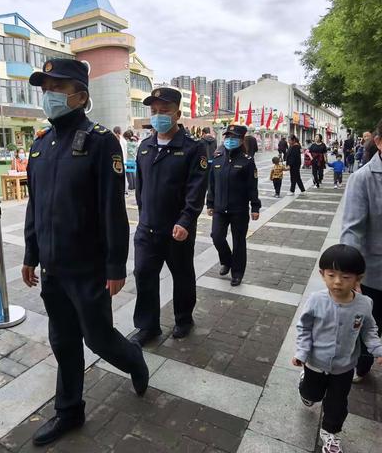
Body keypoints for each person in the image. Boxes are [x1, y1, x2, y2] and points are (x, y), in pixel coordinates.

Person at [22, 59, 148, 446]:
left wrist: (115, 265)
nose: (49, 95)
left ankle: (133, 360)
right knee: (62, 340)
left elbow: (112, 209)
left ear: (80, 95)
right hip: (52, 267)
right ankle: (69, 411)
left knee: (98, 337)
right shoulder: (41, 145)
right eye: (45, 88)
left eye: (57, 87)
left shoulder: (99, 141)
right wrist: (30, 254)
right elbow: (35, 205)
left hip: (88, 266)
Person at [131, 87, 208, 346]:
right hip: (147, 229)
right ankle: (148, 326)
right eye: (154, 111)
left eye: (164, 111)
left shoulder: (192, 148)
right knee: (143, 274)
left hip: (177, 230)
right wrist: (143, 219)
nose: (158, 116)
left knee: (182, 275)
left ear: (178, 113)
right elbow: (140, 189)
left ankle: (183, 318)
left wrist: (186, 220)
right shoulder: (144, 147)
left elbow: (196, 190)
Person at [293, 244, 382, 453]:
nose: (337, 282)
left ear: (358, 279)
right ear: (322, 274)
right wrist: (302, 353)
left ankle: (331, 432)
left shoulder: (364, 304)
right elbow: (304, 327)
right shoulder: (316, 300)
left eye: (346, 277)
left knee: (337, 403)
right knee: (312, 395)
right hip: (315, 363)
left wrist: (377, 349)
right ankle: (305, 384)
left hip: (344, 367)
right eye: (331, 275)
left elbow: (369, 329)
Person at [340, 121, 382, 383]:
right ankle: (363, 364)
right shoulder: (364, 178)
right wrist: (350, 277)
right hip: (374, 275)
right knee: (370, 329)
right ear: (378, 142)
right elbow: (352, 231)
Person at [207, 124, 261, 287]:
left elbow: (253, 185)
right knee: (216, 236)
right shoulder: (217, 158)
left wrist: (255, 207)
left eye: (234, 137)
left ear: (241, 139)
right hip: (219, 208)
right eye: (228, 137)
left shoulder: (247, 161)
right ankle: (226, 260)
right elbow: (212, 183)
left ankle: (237, 273)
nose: (230, 140)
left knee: (239, 242)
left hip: (239, 209)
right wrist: (210, 203)